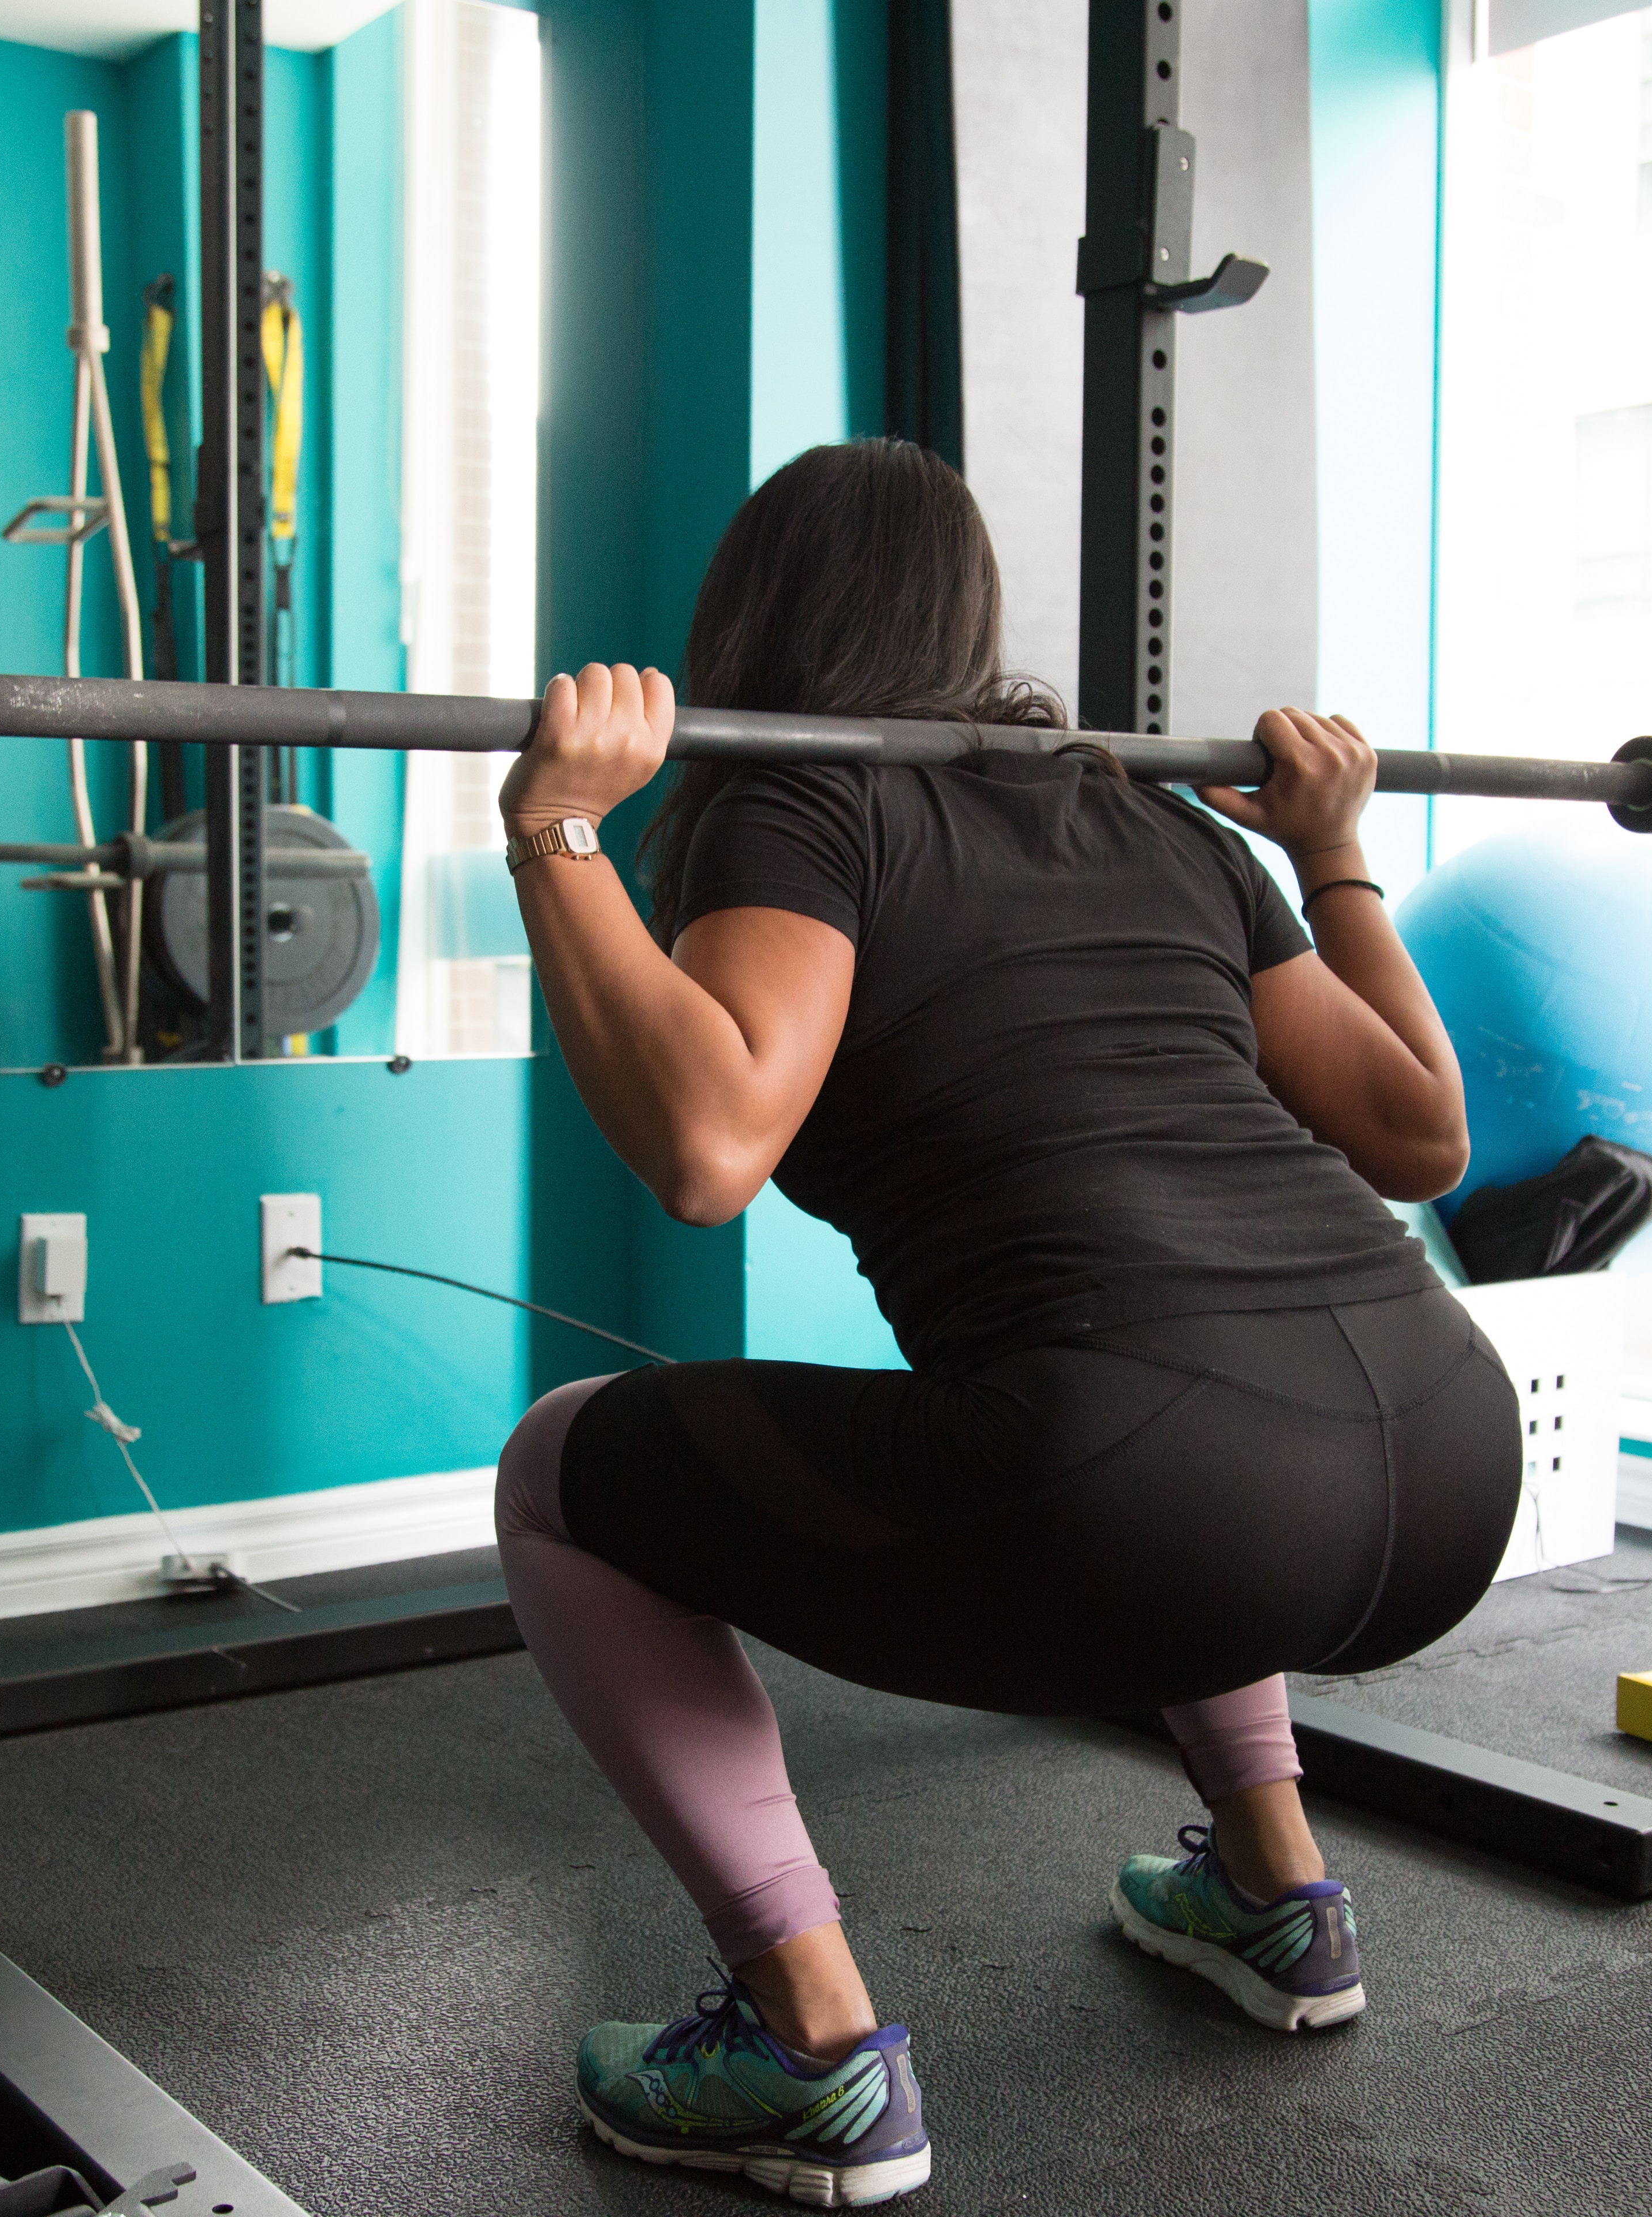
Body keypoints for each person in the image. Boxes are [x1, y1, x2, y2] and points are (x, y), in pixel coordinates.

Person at [490, 439, 1519, 2207]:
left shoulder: (799, 798)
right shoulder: (1156, 817)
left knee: (559, 1464)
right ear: (970, 613)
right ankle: (1277, 1891)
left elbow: (709, 1143)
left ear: (746, 610)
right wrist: (1335, 858)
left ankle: (804, 2043)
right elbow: (1427, 1128)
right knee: (1148, 1376)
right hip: (1447, 1446)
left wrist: (558, 830)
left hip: (1170, 1475)